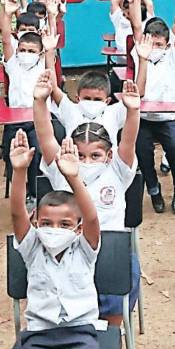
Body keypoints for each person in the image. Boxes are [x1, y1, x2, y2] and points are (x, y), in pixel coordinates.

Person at [9, 130, 105, 349]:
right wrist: (20, 171)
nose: (54, 229)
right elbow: (16, 215)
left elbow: (91, 219)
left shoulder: (85, 248)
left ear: (76, 229)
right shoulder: (33, 247)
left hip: (80, 334)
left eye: (64, 223)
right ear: (36, 222)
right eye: (46, 222)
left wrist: (74, 178)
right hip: (39, 336)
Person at [34, 70, 141, 326]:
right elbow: (46, 136)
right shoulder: (61, 170)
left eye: (94, 156)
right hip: (68, 253)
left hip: (108, 250)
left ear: (109, 156)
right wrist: (39, 101)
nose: (86, 162)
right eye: (80, 156)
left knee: (126, 275)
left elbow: (128, 140)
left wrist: (134, 112)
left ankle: (113, 336)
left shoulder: (118, 171)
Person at [131, 0, 175, 215]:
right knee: (142, 150)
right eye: (150, 42)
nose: (154, 47)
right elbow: (137, 25)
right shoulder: (140, 55)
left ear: (165, 44)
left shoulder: (172, 57)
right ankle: (154, 190)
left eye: (159, 44)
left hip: (167, 118)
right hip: (144, 118)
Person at [0, 0, 56, 206]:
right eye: (23, 49)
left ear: (40, 53)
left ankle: (35, 195)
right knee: (13, 159)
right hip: (14, 123)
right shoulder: (13, 65)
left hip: (38, 121)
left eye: (32, 51)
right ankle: (20, 195)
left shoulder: (43, 64)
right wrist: (6, 11)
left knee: (38, 157)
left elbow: (49, 47)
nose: (26, 54)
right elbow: (5, 38)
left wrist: (51, 16)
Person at [50, 70, 126, 146]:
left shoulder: (114, 113)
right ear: (78, 98)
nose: (92, 103)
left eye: (97, 99)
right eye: (87, 98)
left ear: (107, 101)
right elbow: (54, 88)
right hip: (74, 157)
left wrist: (138, 60)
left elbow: (135, 96)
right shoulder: (70, 110)